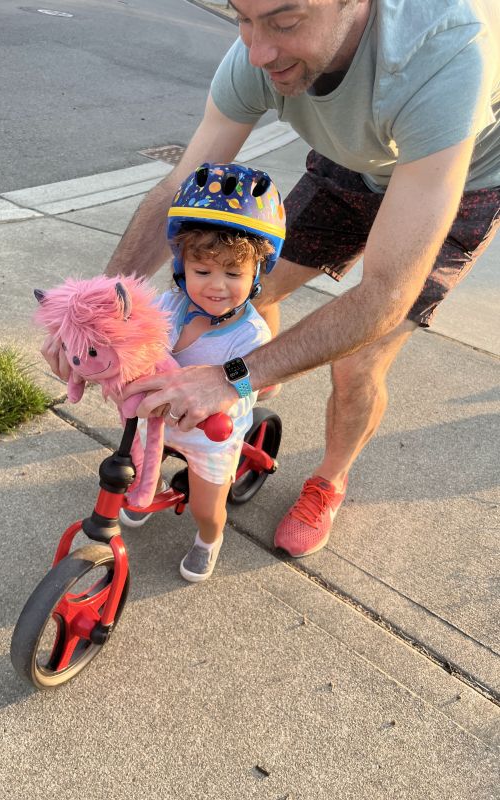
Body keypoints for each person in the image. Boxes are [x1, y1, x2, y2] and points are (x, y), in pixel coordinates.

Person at [43, 0, 500, 558]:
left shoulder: (446, 50)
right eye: (242, 16)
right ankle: (260, 381)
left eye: (285, 22)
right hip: (352, 162)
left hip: (458, 179)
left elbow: (386, 291)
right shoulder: (258, 54)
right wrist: (90, 310)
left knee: (358, 361)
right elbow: (179, 186)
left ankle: (329, 480)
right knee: (238, 290)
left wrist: (230, 377)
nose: (257, 51)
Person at [120, 162, 285, 582]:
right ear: (182, 268)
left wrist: (225, 396)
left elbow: (248, 383)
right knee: (135, 465)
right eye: (202, 271)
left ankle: (209, 539)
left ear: (256, 274)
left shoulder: (250, 334)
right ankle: (152, 487)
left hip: (211, 433)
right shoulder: (171, 305)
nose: (216, 285)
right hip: (159, 418)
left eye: (233, 273)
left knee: (205, 507)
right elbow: (138, 335)